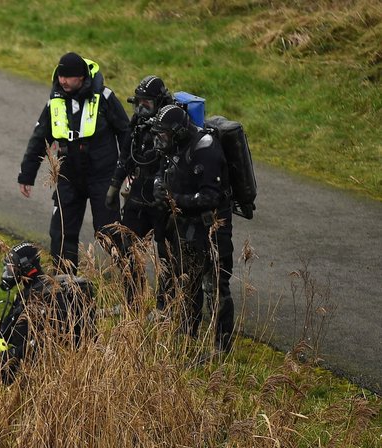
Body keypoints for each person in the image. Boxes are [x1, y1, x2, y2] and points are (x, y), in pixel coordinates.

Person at [17, 52, 130, 273]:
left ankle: (131, 284)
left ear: (81, 77)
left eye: (68, 77)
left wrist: (127, 170)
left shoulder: (105, 98)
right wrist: (26, 175)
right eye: (60, 76)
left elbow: (126, 134)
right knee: (61, 234)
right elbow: (40, 138)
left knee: (109, 233)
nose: (63, 81)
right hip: (69, 176)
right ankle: (66, 289)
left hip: (102, 176)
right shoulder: (55, 101)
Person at [150, 104, 235, 355]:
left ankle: (221, 345)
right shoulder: (173, 146)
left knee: (216, 284)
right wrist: (158, 186)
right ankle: (188, 335)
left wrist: (174, 199)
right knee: (188, 282)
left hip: (212, 226)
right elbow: (161, 171)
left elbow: (211, 196)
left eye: (163, 135)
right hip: (186, 225)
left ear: (176, 132)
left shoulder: (205, 149)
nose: (159, 141)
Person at [0, 243, 94, 396]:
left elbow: (49, 341)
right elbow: (6, 330)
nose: (8, 273)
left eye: (11, 267)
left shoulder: (51, 294)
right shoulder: (25, 294)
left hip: (33, 362)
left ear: (27, 267)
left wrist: (13, 354)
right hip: (20, 355)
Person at [108, 74, 181, 306]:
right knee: (127, 247)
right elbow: (126, 157)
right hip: (138, 194)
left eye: (146, 104)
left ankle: (164, 306)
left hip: (161, 199)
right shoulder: (137, 125)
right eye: (138, 102)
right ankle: (133, 301)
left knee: (166, 254)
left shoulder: (171, 127)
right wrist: (115, 184)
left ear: (158, 102)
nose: (140, 108)